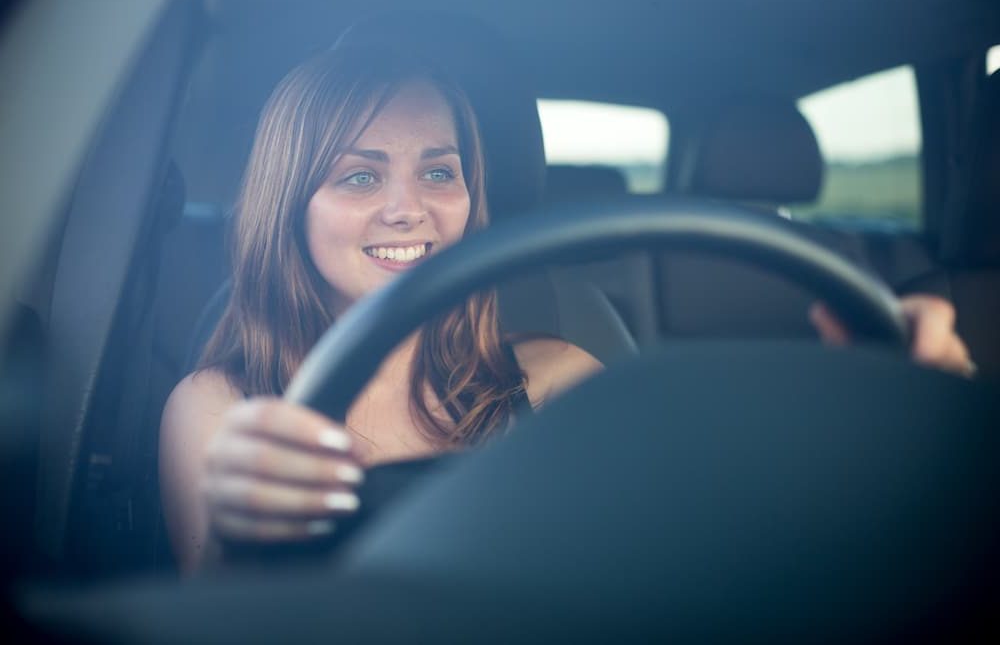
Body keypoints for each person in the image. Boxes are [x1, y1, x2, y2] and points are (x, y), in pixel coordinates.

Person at [159, 43, 974, 575]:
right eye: (360, 175)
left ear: (473, 196)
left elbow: (703, 540)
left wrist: (896, 421)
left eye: (439, 172)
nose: (409, 208)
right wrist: (240, 535)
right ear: (288, 206)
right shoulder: (220, 410)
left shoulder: (555, 377)